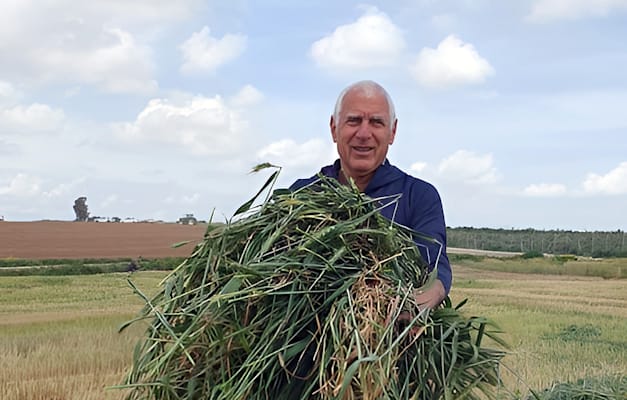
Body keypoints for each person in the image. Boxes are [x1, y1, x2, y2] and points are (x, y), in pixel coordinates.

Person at [290, 80, 451, 309]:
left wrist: (430, 293)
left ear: (392, 132)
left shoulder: (418, 196)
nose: (364, 133)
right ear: (334, 128)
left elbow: (434, 262)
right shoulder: (301, 195)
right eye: (354, 120)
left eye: (376, 122)